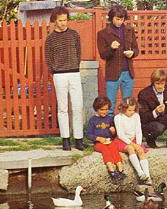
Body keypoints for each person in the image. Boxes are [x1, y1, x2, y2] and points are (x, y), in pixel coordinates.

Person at [45, 6, 85, 151]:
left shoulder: (74, 35)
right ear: (55, 20)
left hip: (74, 73)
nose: (63, 23)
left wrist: (74, 66)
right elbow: (48, 58)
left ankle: (79, 139)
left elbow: (79, 53)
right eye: (60, 20)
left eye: (65, 20)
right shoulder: (50, 39)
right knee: (62, 108)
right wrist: (55, 70)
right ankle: (65, 139)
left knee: (77, 106)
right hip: (59, 75)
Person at [97, 5, 139, 116]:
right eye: (117, 19)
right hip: (112, 73)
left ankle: (126, 130)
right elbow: (103, 54)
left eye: (122, 19)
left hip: (128, 73)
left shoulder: (130, 30)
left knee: (128, 104)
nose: (120, 21)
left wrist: (132, 53)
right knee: (110, 105)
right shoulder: (103, 33)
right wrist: (111, 48)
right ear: (111, 18)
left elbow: (136, 49)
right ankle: (110, 129)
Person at [138, 69, 167, 149]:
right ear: (153, 83)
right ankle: (150, 139)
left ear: (165, 83)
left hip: (164, 118)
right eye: (157, 84)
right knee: (159, 127)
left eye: (162, 84)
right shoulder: (144, 94)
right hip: (151, 122)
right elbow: (143, 117)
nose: (160, 86)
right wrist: (155, 112)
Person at [86, 96, 126, 181]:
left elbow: (114, 134)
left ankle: (120, 168)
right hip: (99, 143)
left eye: (106, 109)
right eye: (102, 110)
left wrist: (113, 132)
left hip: (109, 141)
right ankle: (111, 169)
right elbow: (88, 134)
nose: (104, 112)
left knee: (114, 148)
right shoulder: (93, 120)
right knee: (105, 150)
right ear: (96, 109)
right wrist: (97, 138)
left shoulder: (110, 119)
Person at [114, 97, 152, 185]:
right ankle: (140, 173)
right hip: (122, 140)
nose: (132, 112)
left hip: (134, 139)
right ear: (123, 109)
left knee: (140, 151)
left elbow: (138, 131)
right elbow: (120, 134)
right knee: (130, 149)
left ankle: (148, 176)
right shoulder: (118, 117)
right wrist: (132, 144)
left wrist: (138, 144)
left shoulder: (136, 116)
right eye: (129, 110)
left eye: (133, 110)